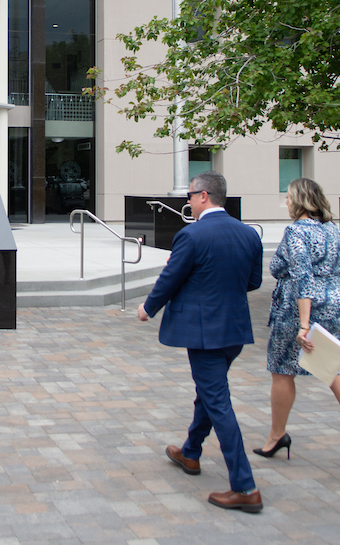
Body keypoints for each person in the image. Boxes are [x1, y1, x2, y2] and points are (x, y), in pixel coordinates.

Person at [138, 171, 265, 513]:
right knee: (209, 394)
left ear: (204, 196)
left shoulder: (191, 235)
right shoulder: (249, 235)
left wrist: (148, 307)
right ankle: (190, 452)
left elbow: (171, 276)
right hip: (234, 331)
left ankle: (245, 487)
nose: (188, 202)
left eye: (190, 196)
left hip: (205, 333)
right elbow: (252, 282)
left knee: (218, 402)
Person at [254, 177, 340, 481]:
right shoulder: (333, 231)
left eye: (288, 197)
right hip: (338, 303)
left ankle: (276, 436)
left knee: (282, 370)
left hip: (299, 309)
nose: (286, 202)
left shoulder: (296, 231)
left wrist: (304, 324)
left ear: (298, 201)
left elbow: (301, 276)